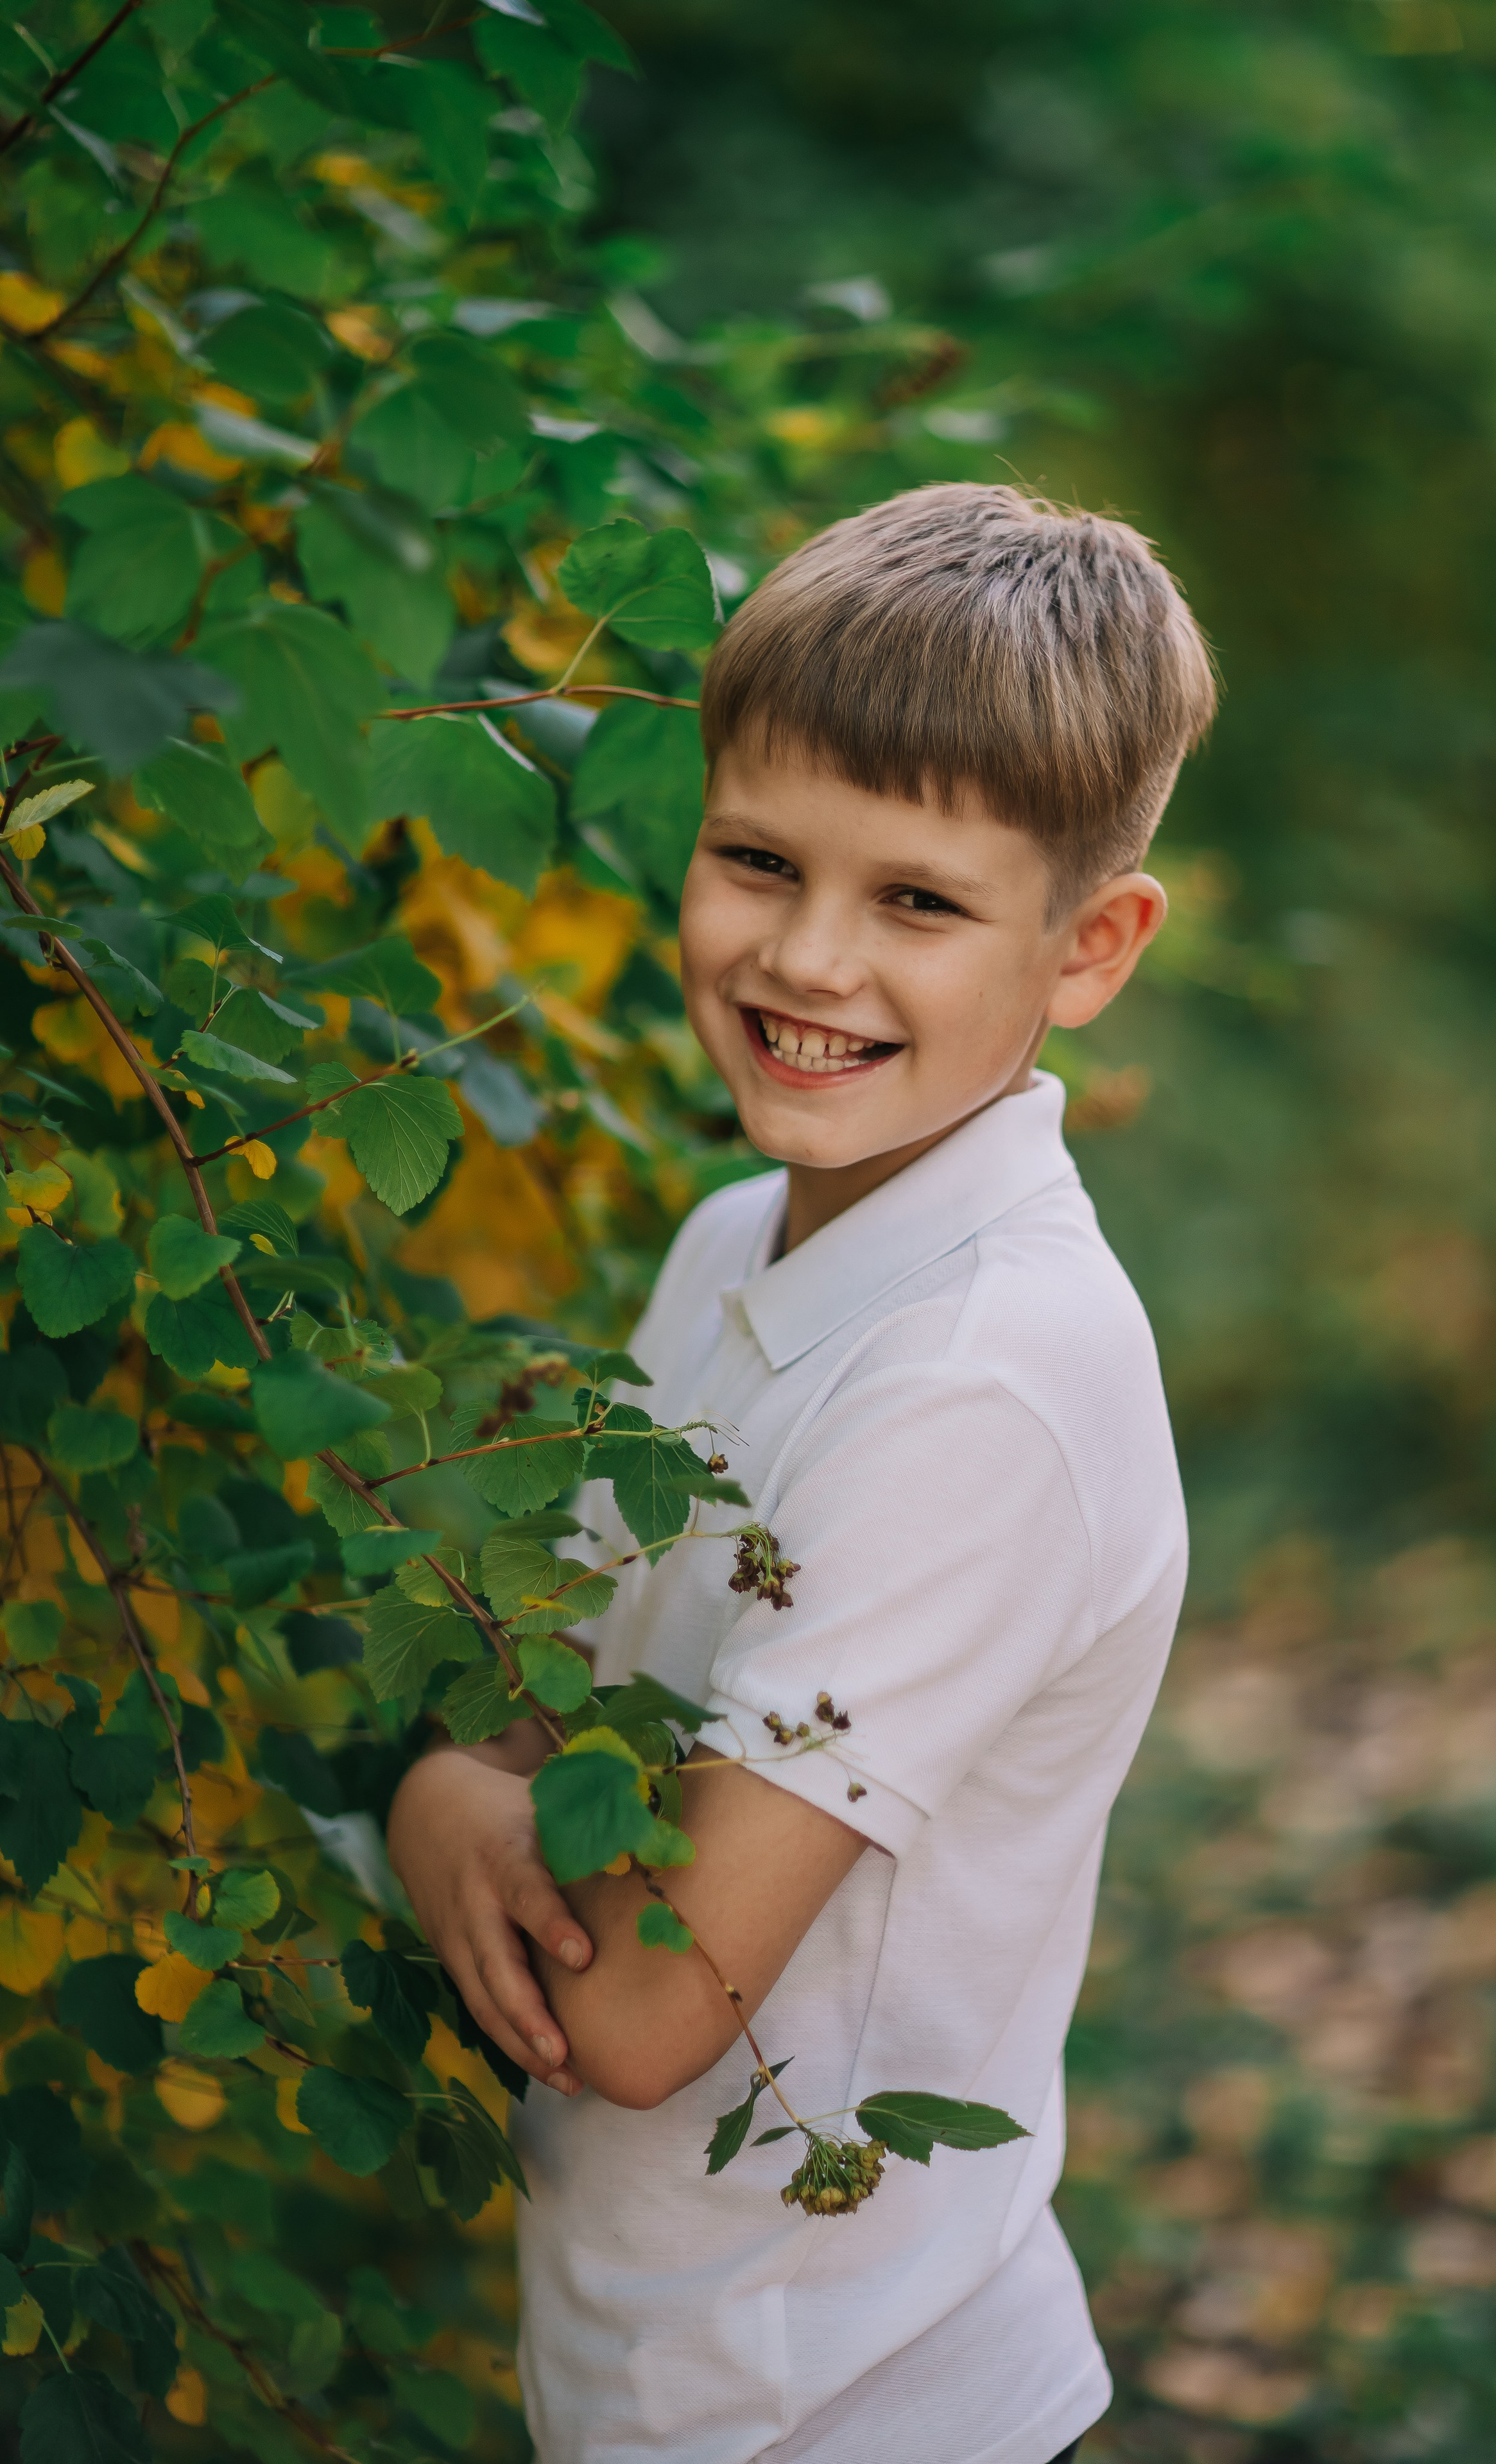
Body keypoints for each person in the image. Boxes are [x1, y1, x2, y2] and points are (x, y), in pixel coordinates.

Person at [387, 482, 1218, 2464]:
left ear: (1087, 946)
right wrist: (473, 1792)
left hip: (852, 2410)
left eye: (919, 901)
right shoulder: (733, 1243)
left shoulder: (984, 1383)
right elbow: (552, 1730)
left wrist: (434, 1812)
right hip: (660, 2382)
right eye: (759, 860)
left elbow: (636, 2016)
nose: (808, 958)